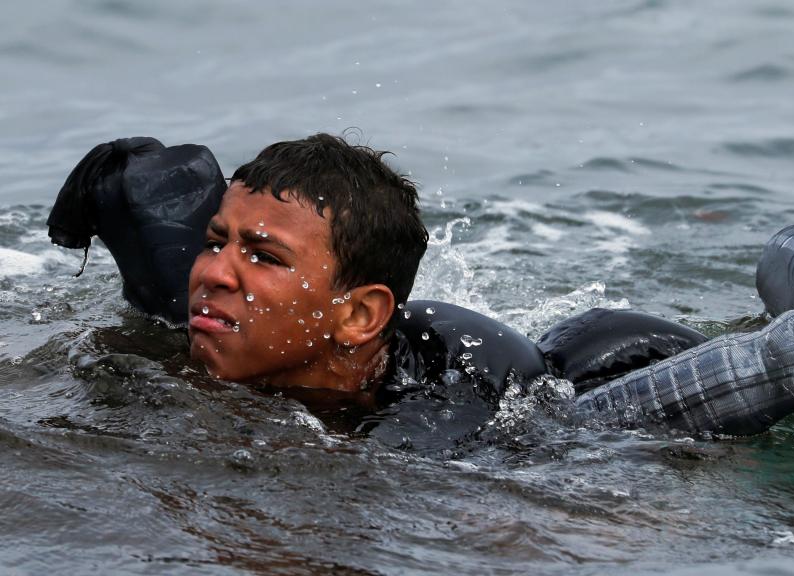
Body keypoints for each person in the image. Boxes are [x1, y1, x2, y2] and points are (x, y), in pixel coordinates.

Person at [48, 134, 705, 451]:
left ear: (360, 314)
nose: (214, 273)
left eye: (264, 257)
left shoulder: (439, 419)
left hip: (616, 372)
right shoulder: (201, 319)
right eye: (217, 240)